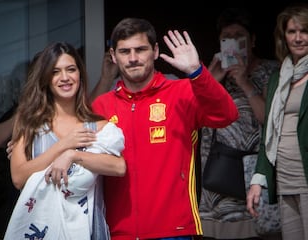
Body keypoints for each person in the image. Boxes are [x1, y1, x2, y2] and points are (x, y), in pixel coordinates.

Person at [91, 17, 239, 239]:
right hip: (118, 232)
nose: (133, 58)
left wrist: (196, 72)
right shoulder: (101, 105)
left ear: (155, 50)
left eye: (140, 49)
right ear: (113, 56)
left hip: (174, 230)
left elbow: (227, 115)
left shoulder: (182, 92)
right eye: (124, 52)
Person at [4, 42, 126, 239]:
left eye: (71, 69)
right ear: (46, 79)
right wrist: (63, 145)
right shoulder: (29, 123)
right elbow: (19, 177)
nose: (65, 78)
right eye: (55, 72)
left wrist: (73, 155)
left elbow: (119, 167)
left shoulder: (97, 126)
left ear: (80, 75)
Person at [198, 8, 282, 240]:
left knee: (260, 229)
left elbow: (269, 118)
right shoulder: (211, 73)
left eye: (239, 37)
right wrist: (212, 82)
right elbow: (192, 118)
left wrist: (244, 81)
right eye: (227, 37)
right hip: (218, 169)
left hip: (254, 169)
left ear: (252, 40)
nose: (233, 42)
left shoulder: (270, 70)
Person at [247, 3, 308, 240]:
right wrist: (257, 181)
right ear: (284, 37)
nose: (299, 38)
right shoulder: (278, 77)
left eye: (304, 31)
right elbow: (269, 133)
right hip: (284, 179)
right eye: (292, 32)